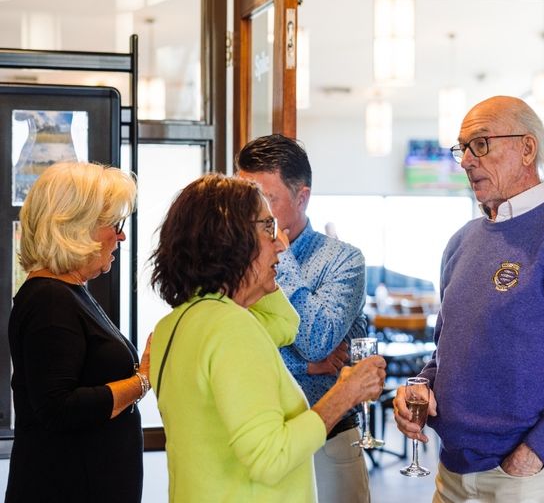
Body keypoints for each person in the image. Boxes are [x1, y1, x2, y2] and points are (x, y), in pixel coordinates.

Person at [393, 96, 544, 503]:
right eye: (463, 148)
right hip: (450, 472)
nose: (467, 161)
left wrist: (536, 451)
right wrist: (423, 387)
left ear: (527, 148)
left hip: (523, 476)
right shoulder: (461, 242)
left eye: (480, 144)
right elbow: (445, 352)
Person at [148, 174, 385, 502]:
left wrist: (255, 278)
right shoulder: (232, 327)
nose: (281, 244)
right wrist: (345, 394)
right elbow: (270, 458)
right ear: (231, 240)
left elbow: (287, 325)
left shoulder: (176, 323)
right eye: (267, 228)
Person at [236, 134, 370, 503]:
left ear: (302, 197)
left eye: (267, 200)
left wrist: (279, 255)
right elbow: (234, 353)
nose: (253, 213)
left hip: (329, 440)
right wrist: (306, 367)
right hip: (256, 439)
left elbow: (317, 341)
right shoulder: (232, 262)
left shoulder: (344, 260)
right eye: (245, 198)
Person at [7, 161, 150, 502]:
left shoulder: (68, 292)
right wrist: (143, 380)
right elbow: (59, 408)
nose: (121, 236)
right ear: (76, 226)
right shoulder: (50, 299)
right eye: (114, 224)